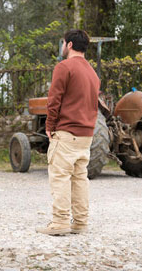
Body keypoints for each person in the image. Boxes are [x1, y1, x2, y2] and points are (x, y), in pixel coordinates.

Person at [36, 29, 100, 236]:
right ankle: (80, 222)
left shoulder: (64, 67)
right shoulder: (92, 72)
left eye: (64, 43)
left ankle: (60, 222)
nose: (63, 46)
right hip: (86, 134)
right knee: (80, 178)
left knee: (60, 176)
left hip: (66, 131)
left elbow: (54, 100)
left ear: (70, 44)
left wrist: (50, 126)